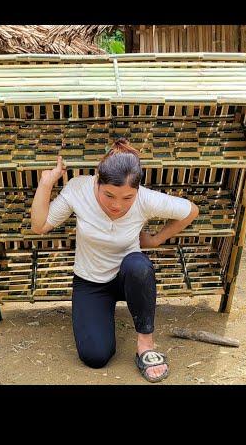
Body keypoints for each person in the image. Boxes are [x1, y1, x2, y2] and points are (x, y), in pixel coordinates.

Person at [30, 138, 199, 382]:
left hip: (127, 278)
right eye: (109, 195)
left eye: (127, 198)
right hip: (90, 281)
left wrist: (154, 240)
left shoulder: (145, 199)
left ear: (137, 191)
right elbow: (40, 225)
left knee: (138, 265)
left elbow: (190, 211)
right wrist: (46, 184)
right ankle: (101, 316)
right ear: (97, 179)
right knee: (95, 356)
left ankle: (146, 344)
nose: (117, 205)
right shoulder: (78, 189)